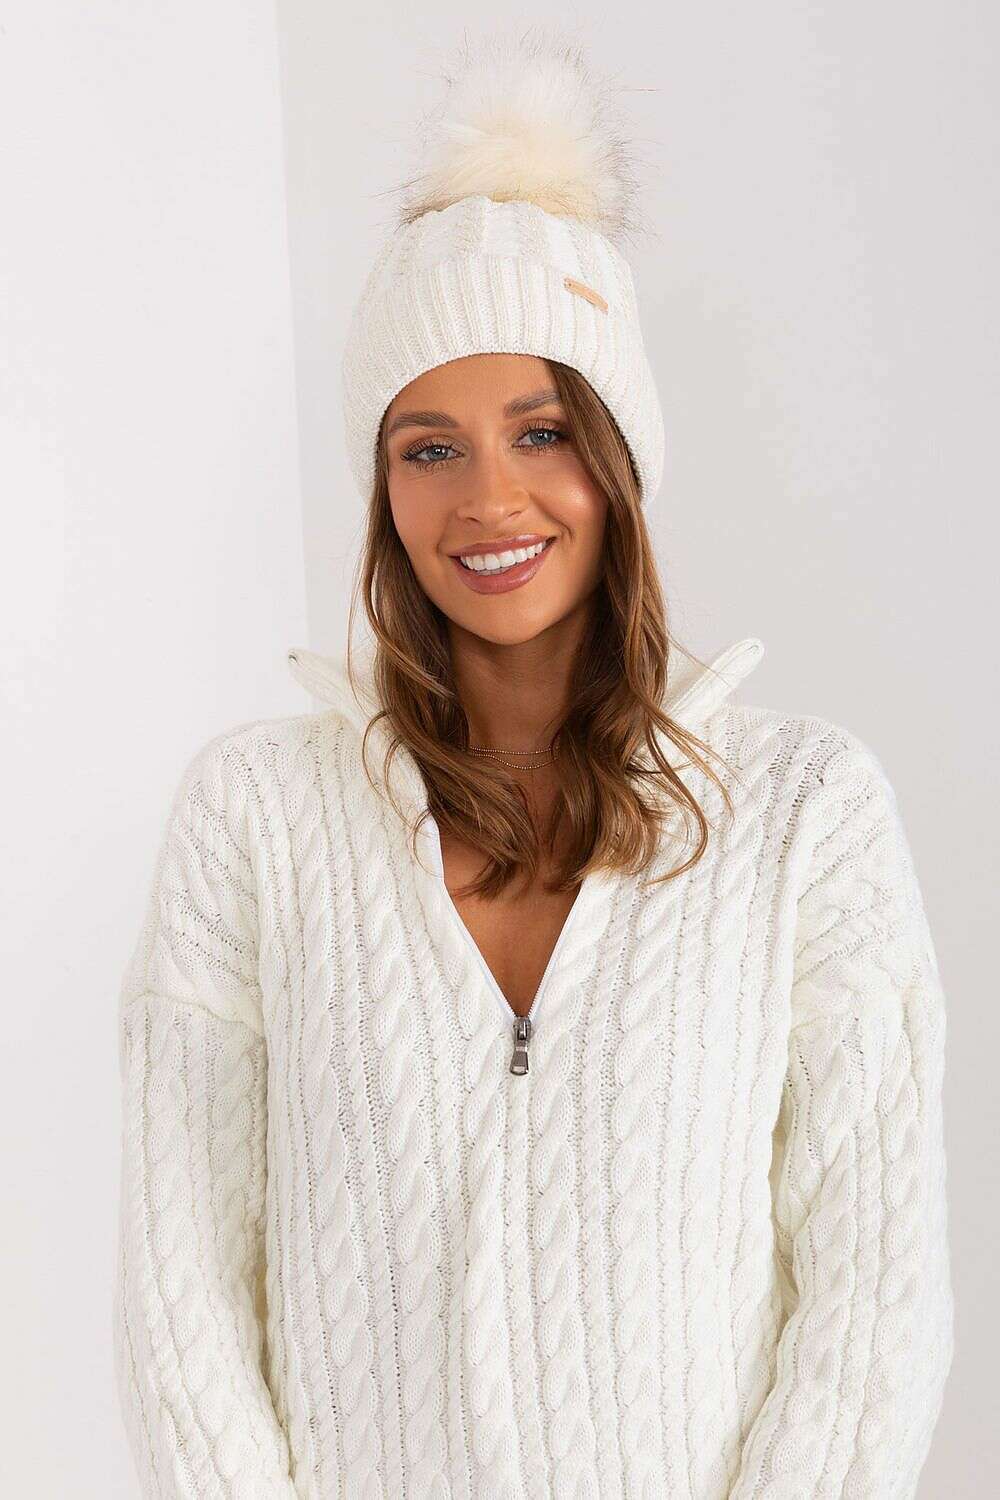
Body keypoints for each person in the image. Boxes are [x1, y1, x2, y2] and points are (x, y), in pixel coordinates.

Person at [112, 28, 954, 1500]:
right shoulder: (256, 818)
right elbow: (182, 1299)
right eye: (428, 447)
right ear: (382, 490)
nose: (489, 497)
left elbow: (873, 1303)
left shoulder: (805, 816)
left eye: (543, 431)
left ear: (618, 462)